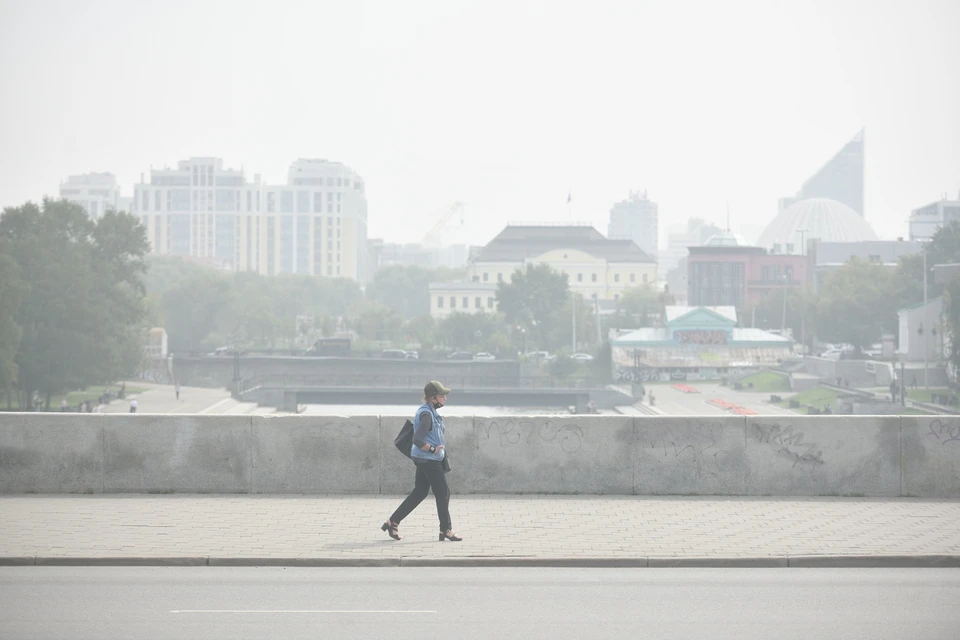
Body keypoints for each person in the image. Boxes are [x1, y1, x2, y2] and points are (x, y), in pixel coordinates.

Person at [383, 381, 462, 542]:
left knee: (420, 492)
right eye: (442, 396)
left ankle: (393, 522)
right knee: (443, 492)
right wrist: (433, 449)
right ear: (433, 398)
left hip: (427, 459)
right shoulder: (426, 414)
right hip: (429, 460)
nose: (445, 399)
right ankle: (446, 530)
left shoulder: (430, 411)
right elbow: (417, 439)